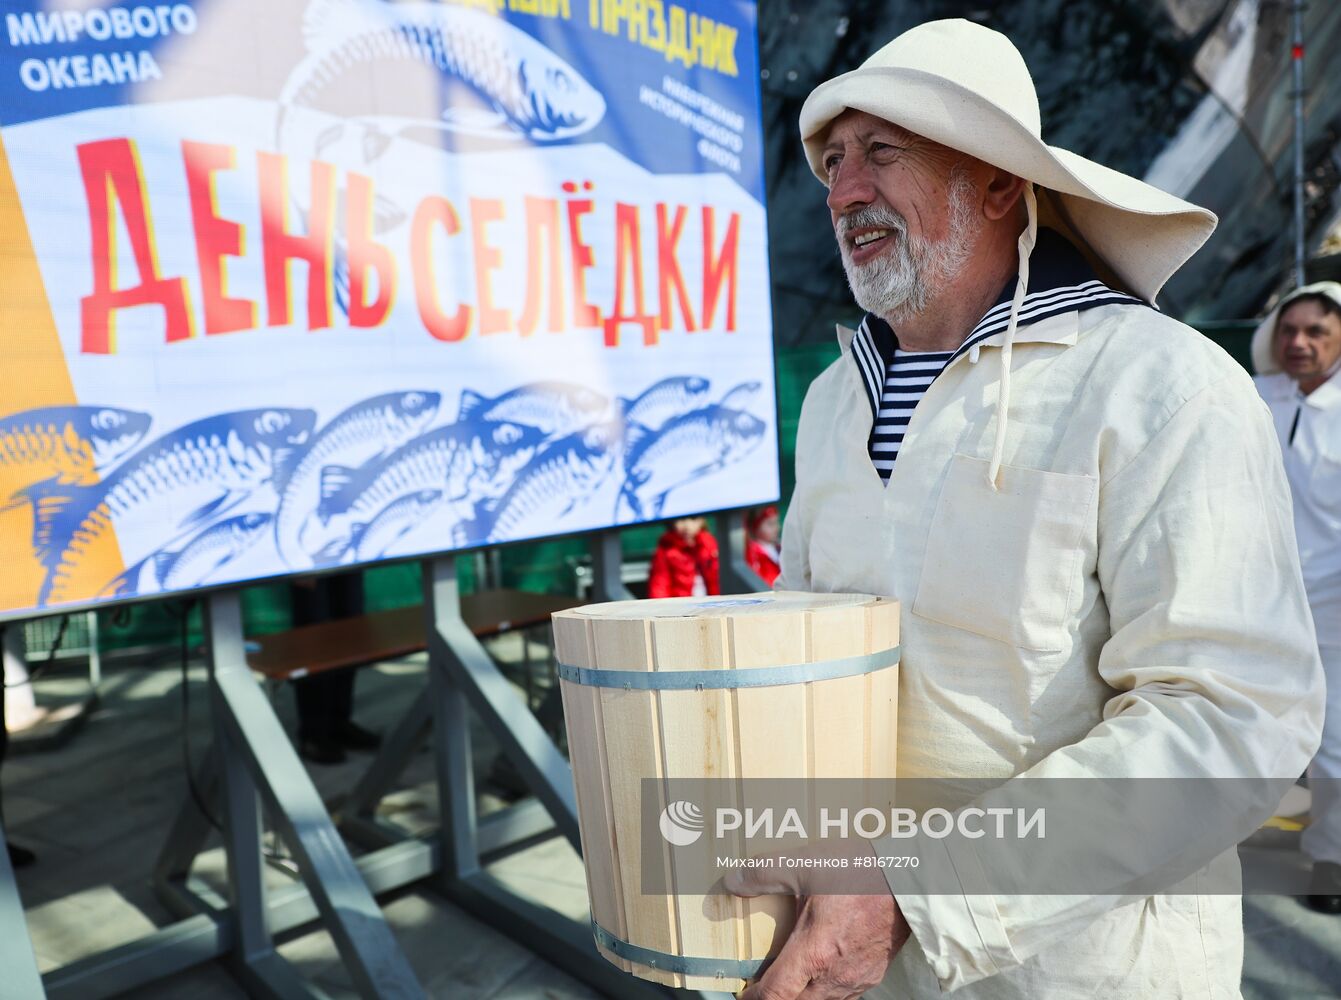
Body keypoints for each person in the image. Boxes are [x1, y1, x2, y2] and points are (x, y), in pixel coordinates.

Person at [725, 18, 1324, 1000]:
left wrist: (924, 889)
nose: (842, 192)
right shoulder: (838, 398)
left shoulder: (1159, 384)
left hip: (1080, 974)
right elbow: (810, 637)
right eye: (833, 160)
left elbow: (1234, 718)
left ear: (1000, 180)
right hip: (859, 959)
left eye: (882, 151)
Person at [1252, 281, 1341, 914]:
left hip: (1332, 600)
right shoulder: (1258, 396)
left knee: (1335, 736)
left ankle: (1331, 857)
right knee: (1242, 714)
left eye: (1316, 332)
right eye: (1289, 331)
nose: (1299, 343)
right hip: (1255, 594)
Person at [289, 572, 381, 765]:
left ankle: (339, 722)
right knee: (313, 632)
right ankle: (313, 733)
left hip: (346, 554)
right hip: (307, 553)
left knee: (350, 626)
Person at [647, 517, 719, 598]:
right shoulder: (666, 550)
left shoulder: (710, 545)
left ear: (702, 521)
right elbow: (659, 585)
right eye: (681, 519)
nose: (687, 526)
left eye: (693, 519)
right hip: (681, 607)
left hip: (712, 605)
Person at [744, 505, 781, 587]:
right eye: (770, 524)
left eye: (777, 522)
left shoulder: (779, 548)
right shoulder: (752, 553)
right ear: (756, 526)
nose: (777, 528)